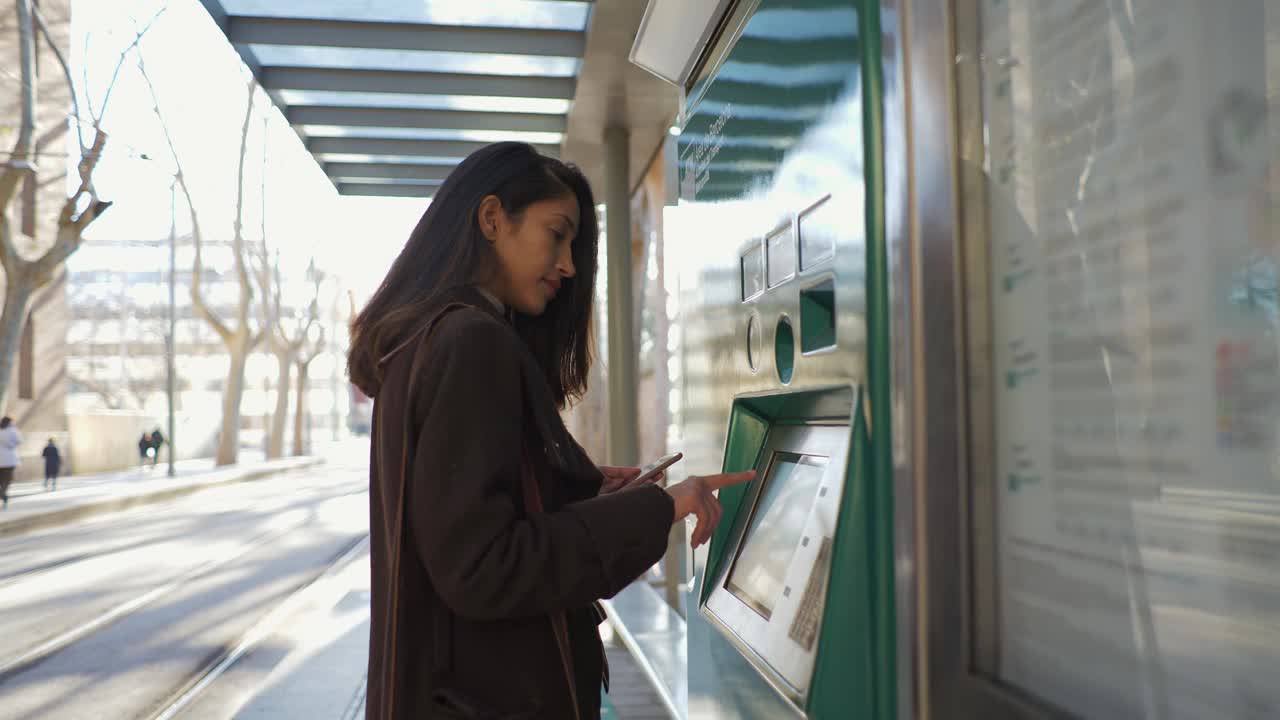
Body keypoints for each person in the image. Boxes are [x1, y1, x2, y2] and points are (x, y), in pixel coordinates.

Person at [348, 142, 754, 719]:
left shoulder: (422, 340)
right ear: (493, 219)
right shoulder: (471, 342)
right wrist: (659, 510)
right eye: (556, 233)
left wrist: (575, 495)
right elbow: (485, 568)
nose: (567, 264)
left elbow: (463, 524)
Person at [0, 417, 21, 508]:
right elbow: (19, 441)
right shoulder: (12, 430)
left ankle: (2, 493)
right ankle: (3, 493)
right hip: (9, 460)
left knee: (1, 479)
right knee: (7, 479)